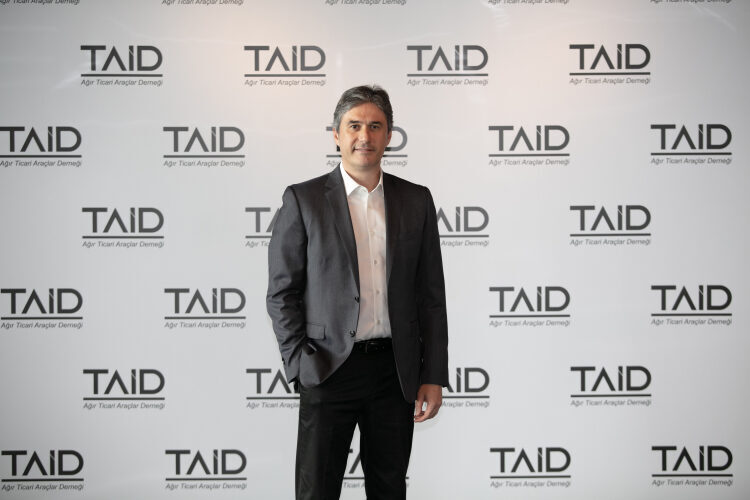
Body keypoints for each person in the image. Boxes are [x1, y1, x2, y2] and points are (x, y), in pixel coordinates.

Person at [266, 84, 448, 500]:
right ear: (336, 134)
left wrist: (433, 375)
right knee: (317, 490)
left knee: (389, 489)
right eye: (354, 126)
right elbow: (282, 292)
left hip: (394, 372)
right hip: (328, 368)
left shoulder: (416, 200)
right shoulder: (303, 200)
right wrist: (300, 363)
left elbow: (430, 296)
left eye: (375, 126)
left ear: (389, 135)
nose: (364, 136)